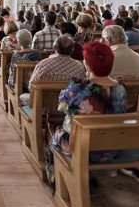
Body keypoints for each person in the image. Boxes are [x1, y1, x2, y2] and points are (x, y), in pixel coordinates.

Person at [45, 41, 128, 185]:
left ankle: (58, 183)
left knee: (55, 140)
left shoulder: (79, 85)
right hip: (111, 146)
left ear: (88, 64)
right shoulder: (121, 88)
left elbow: (63, 107)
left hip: (80, 145)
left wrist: (64, 94)